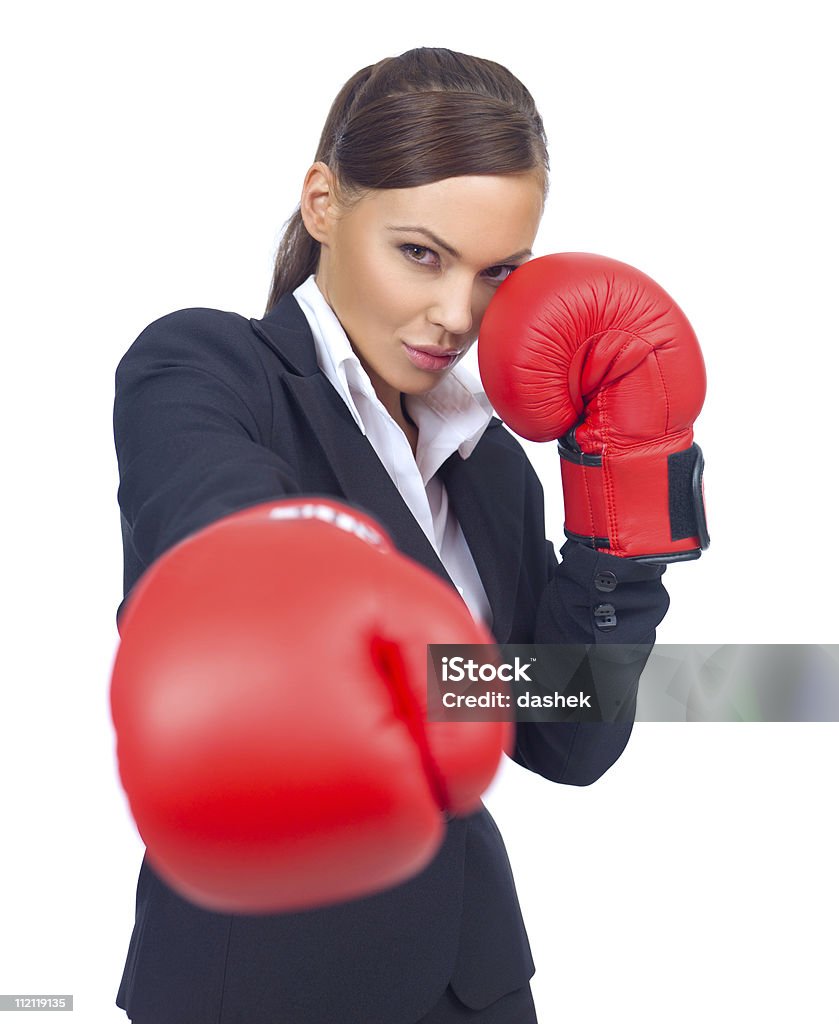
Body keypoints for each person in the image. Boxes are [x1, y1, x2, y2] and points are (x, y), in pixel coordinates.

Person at [112, 46, 671, 1024]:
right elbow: (258, 616)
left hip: (476, 984)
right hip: (261, 987)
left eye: (498, 271)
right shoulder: (209, 371)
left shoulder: (485, 459)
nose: (456, 315)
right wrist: (475, 676)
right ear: (324, 202)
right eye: (422, 253)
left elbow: (569, 734)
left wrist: (616, 495)